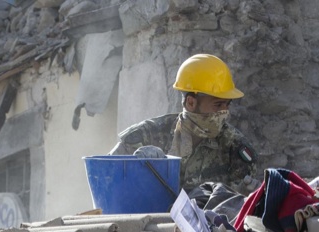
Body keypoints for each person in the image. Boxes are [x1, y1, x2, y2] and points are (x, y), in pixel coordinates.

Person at [110, 53, 259, 194]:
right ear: (191, 102)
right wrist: (134, 167)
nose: (224, 112)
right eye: (218, 105)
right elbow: (106, 179)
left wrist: (245, 196)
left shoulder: (235, 148)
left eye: (227, 105)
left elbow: (238, 206)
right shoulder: (147, 136)